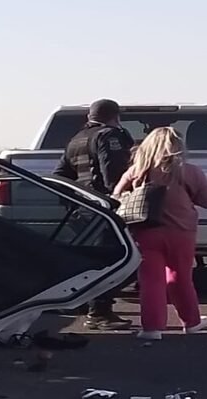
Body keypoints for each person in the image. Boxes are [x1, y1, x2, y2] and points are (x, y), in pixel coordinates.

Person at [112, 127, 207, 340]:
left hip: (146, 230)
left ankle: (152, 328)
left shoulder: (137, 171)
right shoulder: (190, 171)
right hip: (181, 232)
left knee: (150, 280)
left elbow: (116, 195)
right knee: (181, 277)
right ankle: (191, 322)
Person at [52, 98, 136, 330]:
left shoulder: (75, 140)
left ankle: (83, 303)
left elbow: (59, 175)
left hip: (83, 210)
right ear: (115, 116)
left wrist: (72, 205)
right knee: (116, 260)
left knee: (91, 260)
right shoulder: (109, 136)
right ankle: (99, 311)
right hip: (104, 209)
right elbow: (113, 175)